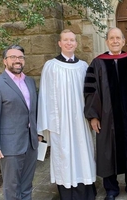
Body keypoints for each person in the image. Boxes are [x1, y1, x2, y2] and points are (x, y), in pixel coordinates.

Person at [84, 27, 127, 200]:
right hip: (106, 118)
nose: (114, 41)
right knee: (107, 151)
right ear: (106, 41)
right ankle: (111, 189)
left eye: (118, 38)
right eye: (111, 38)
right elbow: (91, 91)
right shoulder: (97, 63)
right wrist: (93, 116)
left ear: (123, 41)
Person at [37, 29, 96, 200]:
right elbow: (45, 96)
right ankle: (67, 192)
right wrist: (44, 125)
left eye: (72, 40)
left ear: (76, 43)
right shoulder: (51, 66)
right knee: (64, 153)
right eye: (66, 40)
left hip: (80, 120)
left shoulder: (83, 66)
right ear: (60, 43)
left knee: (83, 152)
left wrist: (92, 116)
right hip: (60, 120)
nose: (69, 43)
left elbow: (90, 95)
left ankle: (86, 189)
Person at [0, 44, 41, 200]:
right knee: (12, 188)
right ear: (5, 61)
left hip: (31, 143)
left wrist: (38, 133)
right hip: (10, 145)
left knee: (27, 185)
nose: (18, 60)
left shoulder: (29, 81)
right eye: (13, 57)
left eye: (21, 57)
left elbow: (33, 111)